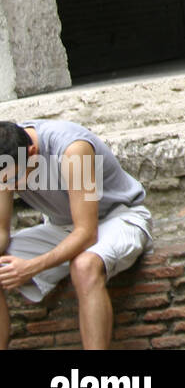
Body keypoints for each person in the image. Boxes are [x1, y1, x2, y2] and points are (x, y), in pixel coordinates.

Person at [0, 120, 153, 349]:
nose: (8, 187)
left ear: (32, 152)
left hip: (118, 218)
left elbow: (86, 234)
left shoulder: (72, 149)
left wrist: (30, 267)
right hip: (62, 226)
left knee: (84, 266)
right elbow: (1, 231)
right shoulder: (6, 157)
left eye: (11, 181)